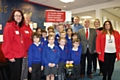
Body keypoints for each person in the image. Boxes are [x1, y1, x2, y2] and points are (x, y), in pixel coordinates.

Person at [2, 9, 25, 80]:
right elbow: (7, 43)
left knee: (17, 76)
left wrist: (23, 54)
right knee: (14, 77)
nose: (18, 17)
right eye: (16, 15)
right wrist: (9, 56)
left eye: (20, 16)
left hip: (19, 56)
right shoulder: (9, 27)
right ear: (13, 17)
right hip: (13, 57)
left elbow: (20, 43)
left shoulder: (18, 28)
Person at [20, 13, 33, 80]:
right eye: (26, 18)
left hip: (30, 52)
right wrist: (24, 52)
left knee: (28, 68)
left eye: (29, 18)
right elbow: (21, 42)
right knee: (23, 69)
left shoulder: (30, 29)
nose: (28, 19)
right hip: (24, 53)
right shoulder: (21, 28)